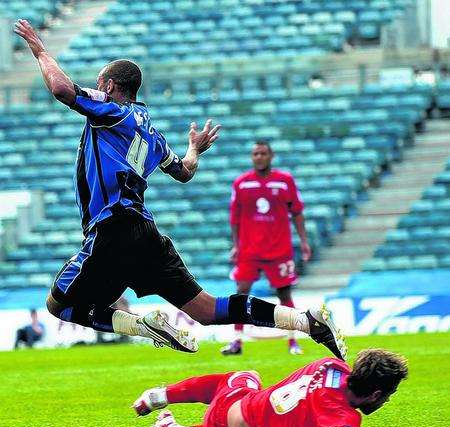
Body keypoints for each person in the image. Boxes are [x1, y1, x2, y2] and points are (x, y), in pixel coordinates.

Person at [14, 20, 346, 361]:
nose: (96, 88)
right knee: (206, 309)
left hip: (112, 228)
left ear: (109, 85)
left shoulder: (111, 111)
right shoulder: (152, 134)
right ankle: (307, 321)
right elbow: (184, 171)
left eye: (100, 83)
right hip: (145, 233)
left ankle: (145, 327)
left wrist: (39, 49)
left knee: (60, 304)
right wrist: (194, 150)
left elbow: (61, 89)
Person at [134, 349, 431, 427]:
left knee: (245, 378)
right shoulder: (339, 414)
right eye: (387, 396)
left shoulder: (328, 366)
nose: (387, 401)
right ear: (375, 393)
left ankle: (163, 405)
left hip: (227, 414)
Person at [222, 141, 311, 356]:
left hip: (279, 249)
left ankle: (292, 341)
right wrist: (236, 245)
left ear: (271, 156)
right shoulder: (242, 183)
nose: (259, 157)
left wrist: (304, 242)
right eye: (255, 154)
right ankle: (236, 341)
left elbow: (297, 212)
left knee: (284, 295)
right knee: (241, 294)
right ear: (252, 157)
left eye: (263, 153)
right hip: (249, 250)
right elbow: (234, 218)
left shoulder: (284, 181)